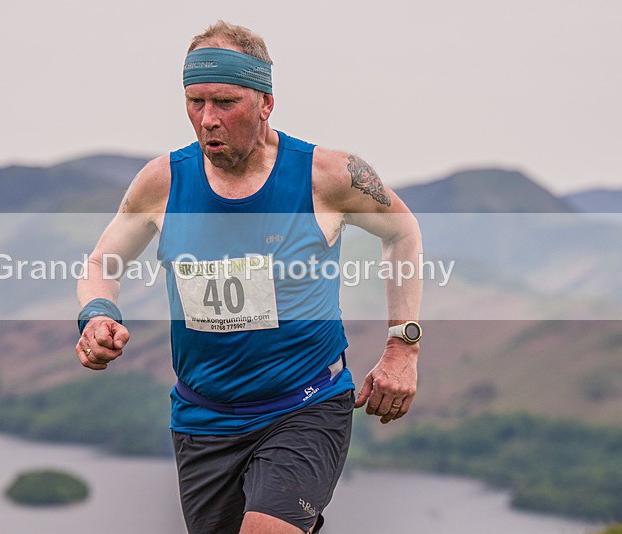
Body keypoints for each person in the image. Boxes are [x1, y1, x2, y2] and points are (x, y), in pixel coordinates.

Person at [75, 21, 422, 534]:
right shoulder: (164, 182)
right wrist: (97, 313)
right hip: (203, 421)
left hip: (304, 406)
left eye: (225, 102)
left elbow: (403, 231)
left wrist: (403, 347)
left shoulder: (328, 175)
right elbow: (103, 262)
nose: (207, 119)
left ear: (265, 103)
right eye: (195, 102)